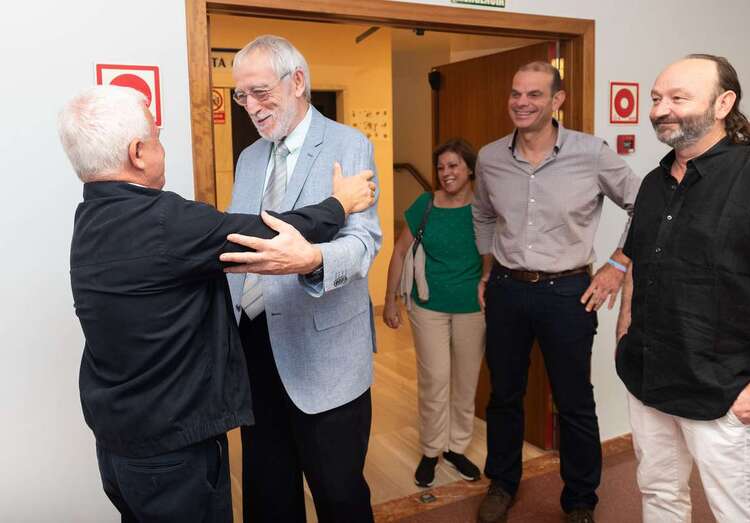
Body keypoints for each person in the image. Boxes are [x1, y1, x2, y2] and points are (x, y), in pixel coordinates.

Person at [61, 85, 375, 523]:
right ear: (137, 152)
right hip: (172, 451)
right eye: (156, 138)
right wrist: (341, 203)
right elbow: (267, 232)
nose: (250, 104)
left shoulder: (89, 218)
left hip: (119, 444)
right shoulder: (166, 222)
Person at [216, 35, 382, 523]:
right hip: (255, 346)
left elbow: (363, 244)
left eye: (260, 91)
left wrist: (310, 260)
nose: (251, 105)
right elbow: (241, 239)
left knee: (338, 495)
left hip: (323, 354)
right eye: (241, 95)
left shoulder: (349, 145)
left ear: (298, 82)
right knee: (268, 492)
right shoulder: (249, 158)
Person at [616, 54, 750, 523]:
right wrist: (624, 334)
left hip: (726, 395)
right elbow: (638, 262)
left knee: (738, 515)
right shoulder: (652, 183)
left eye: (677, 98)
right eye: (655, 99)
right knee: (659, 496)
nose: (659, 109)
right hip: (647, 379)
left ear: (723, 103)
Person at [472, 61, 641, 523]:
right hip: (507, 289)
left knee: (574, 400)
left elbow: (647, 205)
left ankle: (581, 499)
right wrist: (488, 270)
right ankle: (502, 484)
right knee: (504, 395)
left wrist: (615, 265)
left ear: (557, 101)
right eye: (515, 94)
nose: (521, 103)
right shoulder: (489, 157)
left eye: (533, 95)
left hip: (568, 292)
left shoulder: (590, 153)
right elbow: (484, 215)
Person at [383, 139, 485, 488]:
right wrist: (391, 300)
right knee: (435, 379)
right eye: (441, 167)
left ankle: (456, 447)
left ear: (469, 168)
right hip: (428, 307)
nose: (446, 173)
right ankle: (431, 450)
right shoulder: (425, 204)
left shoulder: (483, 206)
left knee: (465, 381)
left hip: (474, 308)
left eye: (454, 166)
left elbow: (498, 251)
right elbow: (399, 252)